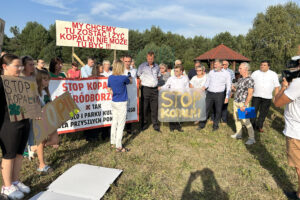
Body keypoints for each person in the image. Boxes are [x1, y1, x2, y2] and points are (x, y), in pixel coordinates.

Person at [0, 54, 31, 199]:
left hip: (23, 122)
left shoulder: (22, 81)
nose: (20, 68)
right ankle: (6, 187)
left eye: (21, 66)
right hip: (8, 125)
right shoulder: (1, 82)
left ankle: (15, 181)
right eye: (16, 66)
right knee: (9, 155)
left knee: (19, 154)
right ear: (5, 67)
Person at [274, 64, 300, 199]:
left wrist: (284, 87)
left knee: (299, 166)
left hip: (296, 132)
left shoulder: (298, 84)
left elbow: (277, 102)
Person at [34, 70, 59, 173]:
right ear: (39, 79)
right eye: (45, 79)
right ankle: (41, 164)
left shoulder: (46, 91)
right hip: (40, 120)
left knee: (55, 140)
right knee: (41, 141)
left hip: (49, 119)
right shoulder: (35, 92)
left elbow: (50, 104)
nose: (47, 82)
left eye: (48, 79)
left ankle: (35, 148)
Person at [198, 59, 231, 131]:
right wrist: (204, 87)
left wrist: (227, 96)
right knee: (206, 109)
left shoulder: (226, 73)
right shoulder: (211, 72)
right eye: (214, 64)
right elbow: (207, 82)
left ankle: (215, 126)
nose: (214, 66)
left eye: (216, 64)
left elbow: (228, 85)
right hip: (210, 94)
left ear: (221, 65)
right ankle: (201, 125)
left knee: (218, 110)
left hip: (220, 94)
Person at [108, 61, 132, 152]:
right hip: (122, 102)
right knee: (121, 124)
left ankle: (112, 142)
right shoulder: (123, 78)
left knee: (114, 121)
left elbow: (109, 88)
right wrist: (129, 76)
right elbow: (130, 81)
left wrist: (113, 93)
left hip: (114, 101)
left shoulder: (110, 77)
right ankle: (119, 146)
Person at [250, 60, 280, 132]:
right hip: (256, 96)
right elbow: (250, 84)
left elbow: (277, 87)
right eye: (261, 65)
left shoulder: (273, 74)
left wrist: (276, 97)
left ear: (268, 66)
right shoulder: (255, 73)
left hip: (267, 97)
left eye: (264, 65)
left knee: (263, 113)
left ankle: (259, 126)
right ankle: (251, 126)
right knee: (252, 111)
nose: (262, 66)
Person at [230, 63, 256, 145]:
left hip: (243, 103)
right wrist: (233, 89)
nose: (239, 70)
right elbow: (239, 90)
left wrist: (245, 105)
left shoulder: (250, 80)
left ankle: (252, 138)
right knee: (237, 119)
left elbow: (250, 94)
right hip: (236, 101)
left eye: (240, 68)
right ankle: (239, 134)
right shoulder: (240, 79)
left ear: (246, 69)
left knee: (246, 121)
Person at [159, 64, 189, 132]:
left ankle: (178, 127)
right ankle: (172, 127)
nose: (175, 72)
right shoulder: (171, 78)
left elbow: (187, 88)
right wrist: (160, 88)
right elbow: (166, 86)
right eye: (175, 71)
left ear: (181, 72)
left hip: (181, 97)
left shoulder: (185, 78)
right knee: (172, 112)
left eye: (177, 71)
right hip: (172, 97)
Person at [137, 51, 160, 132]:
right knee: (144, 107)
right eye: (149, 58)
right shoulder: (142, 66)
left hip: (154, 89)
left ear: (154, 58)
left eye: (152, 58)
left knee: (155, 108)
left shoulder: (157, 66)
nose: (150, 60)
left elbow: (158, 76)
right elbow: (138, 76)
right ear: (147, 58)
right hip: (145, 89)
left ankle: (155, 124)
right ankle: (144, 124)